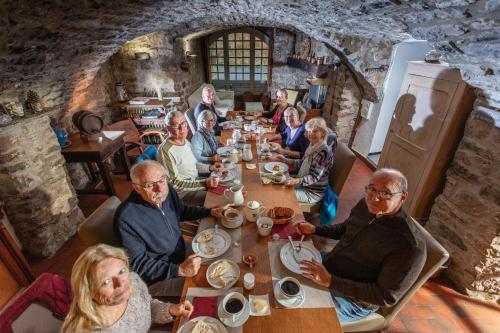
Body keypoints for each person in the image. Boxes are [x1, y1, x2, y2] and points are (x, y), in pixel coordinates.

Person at [292, 168, 427, 323]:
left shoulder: (409, 245)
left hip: (353, 300)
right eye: (372, 188)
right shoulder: (365, 204)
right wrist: (315, 229)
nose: (374, 198)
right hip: (331, 265)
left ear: (403, 197)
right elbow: (345, 229)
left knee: (300, 317)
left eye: (385, 193)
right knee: (283, 269)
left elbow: (384, 296)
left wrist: (330, 281)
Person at [114, 160, 230, 297]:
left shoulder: (167, 191)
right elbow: (139, 266)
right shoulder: (126, 219)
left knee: (224, 259)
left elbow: (182, 211)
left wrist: (209, 212)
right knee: (210, 284)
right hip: (159, 278)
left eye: (162, 180)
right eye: (150, 185)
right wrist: (179, 270)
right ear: (137, 188)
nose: (159, 189)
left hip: (180, 251)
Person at [61, 244, 194, 333]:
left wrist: (171, 310)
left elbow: (147, 305)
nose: (121, 283)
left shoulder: (133, 280)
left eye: (121, 271)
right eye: (106, 281)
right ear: (88, 292)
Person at [158, 111, 223, 206]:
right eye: (176, 125)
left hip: (196, 182)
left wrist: (210, 168)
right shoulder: (165, 150)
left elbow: (194, 164)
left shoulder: (185, 142)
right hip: (184, 194)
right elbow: (175, 184)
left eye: (183, 123)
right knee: (220, 199)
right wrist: (204, 183)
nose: (182, 128)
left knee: (225, 186)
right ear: (168, 128)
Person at [275, 117, 333, 204]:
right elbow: (303, 162)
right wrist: (286, 160)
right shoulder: (313, 146)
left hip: (312, 192)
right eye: (309, 131)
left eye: (315, 131)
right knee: (276, 183)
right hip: (303, 183)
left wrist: (296, 181)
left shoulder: (324, 152)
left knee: (281, 194)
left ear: (323, 133)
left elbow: (314, 177)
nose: (311, 134)